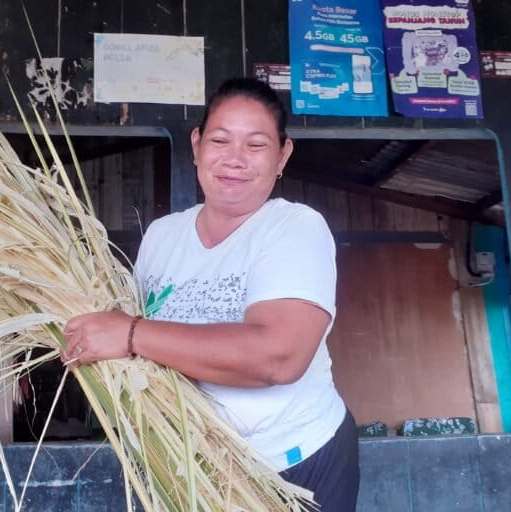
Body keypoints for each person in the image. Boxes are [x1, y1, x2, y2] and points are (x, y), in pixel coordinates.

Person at [60, 77, 359, 511]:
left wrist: (129, 335)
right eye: (220, 140)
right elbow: (141, 353)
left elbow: (278, 356)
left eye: (255, 145)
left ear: (283, 155)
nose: (235, 159)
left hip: (292, 462)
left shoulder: (294, 228)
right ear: (197, 144)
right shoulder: (163, 236)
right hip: (191, 465)